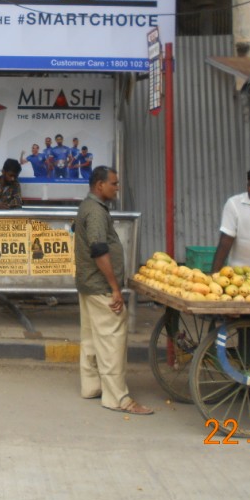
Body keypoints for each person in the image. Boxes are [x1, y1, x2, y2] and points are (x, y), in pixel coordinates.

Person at [74, 166, 153, 414]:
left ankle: (91, 385)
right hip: (100, 287)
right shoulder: (95, 212)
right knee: (112, 341)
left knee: (91, 338)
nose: (117, 188)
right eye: (114, 184)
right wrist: (115, 288)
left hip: (88, 284)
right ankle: (118, 398)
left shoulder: (88, 207)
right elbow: (99, 250)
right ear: (100, 185)